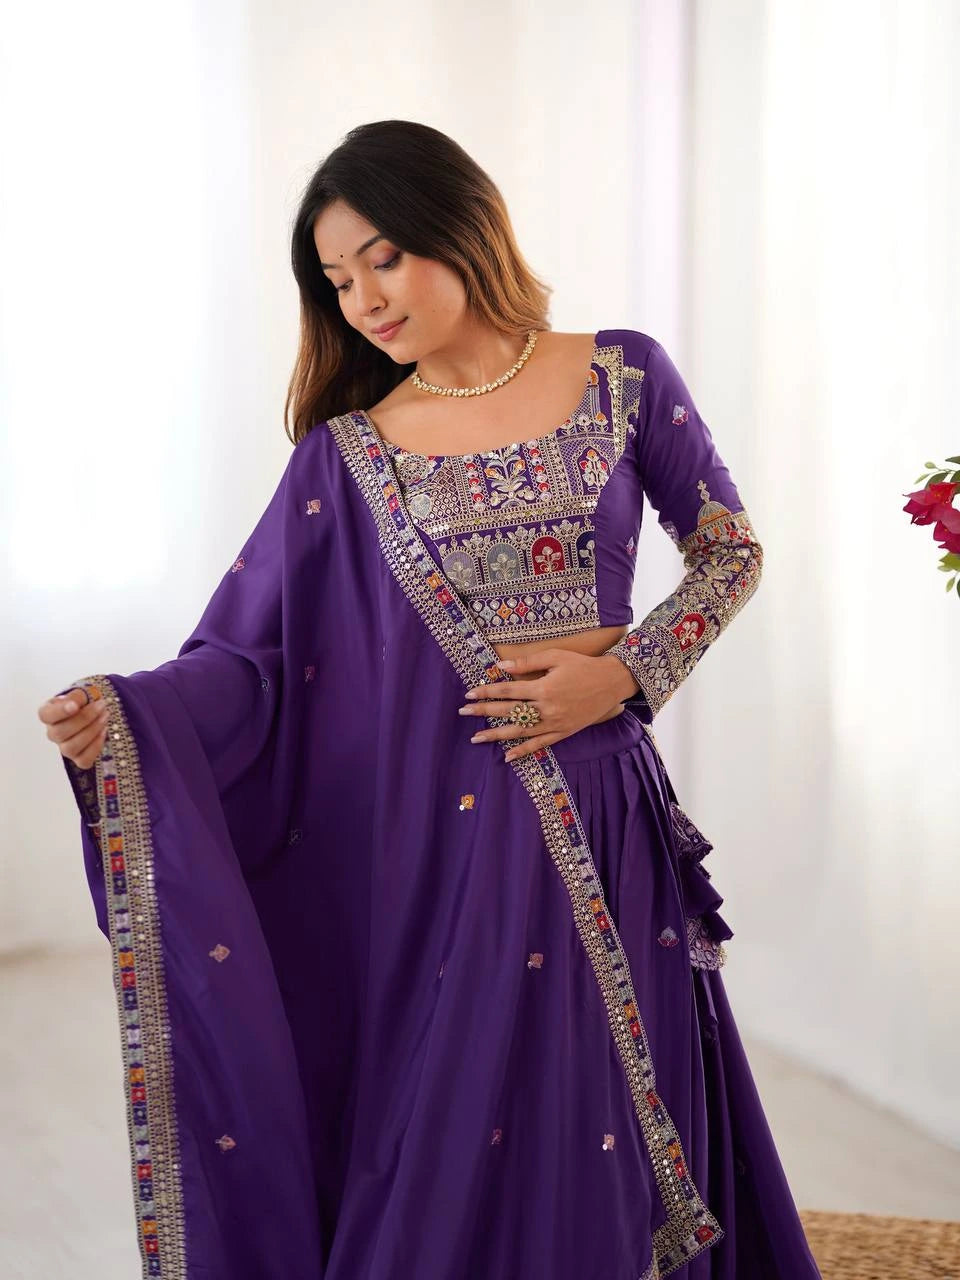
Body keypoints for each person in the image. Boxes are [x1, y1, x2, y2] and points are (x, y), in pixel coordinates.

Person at [38, 120, 821, 1279]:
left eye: (383, 258)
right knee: (466, 1118)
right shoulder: (349, 453)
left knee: (618, 1102)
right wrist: (128, 713)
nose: (362, 298)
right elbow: (256, 661)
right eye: (337, 279)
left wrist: (627, 672)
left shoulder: (622, 370)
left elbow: (729, 552)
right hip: (451, 840)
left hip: (606, 806)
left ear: (464, 224)